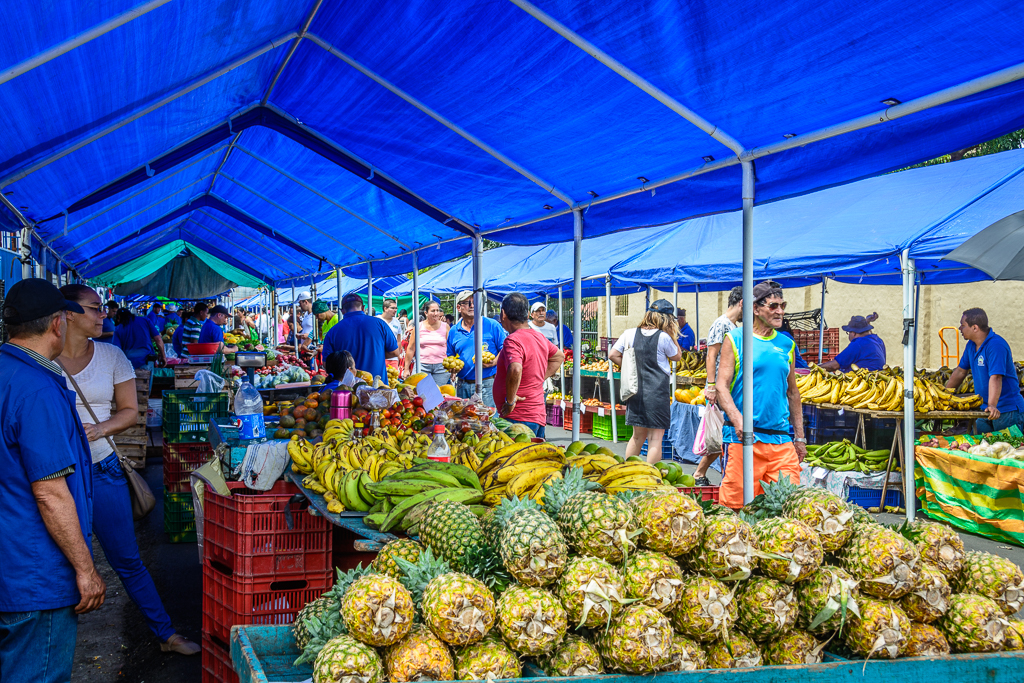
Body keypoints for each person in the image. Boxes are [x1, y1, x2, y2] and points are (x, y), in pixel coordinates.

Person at [58, 285, 200, 655]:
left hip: (103, 467)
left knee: (127, 558)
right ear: (68, 313)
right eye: (94, 308)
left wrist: (99, 429)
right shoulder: (42, 359)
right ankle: (56, 651)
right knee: (58, 565)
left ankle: (166, 634)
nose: (103, 314)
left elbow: (130, 412)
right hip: (56, 476)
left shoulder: (112, 355)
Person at [0, 279, 106, 682]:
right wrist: (85, 569)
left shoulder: (8, 371)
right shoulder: (37, 389)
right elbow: (49, 492)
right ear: (59, 325)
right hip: (34, 572)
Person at [715, 281, 806, 510]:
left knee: (787, 506)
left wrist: (800, 437)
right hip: (743, 440)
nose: (780, 312)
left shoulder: (786, 344)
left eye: (782, 305)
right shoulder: (735, 339)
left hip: (781, 440)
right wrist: (737, 419)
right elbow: (721, 387)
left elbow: (792, 392)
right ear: (755, 308)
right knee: (737, 508)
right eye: (773, 306)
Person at [609, 300, 682, 464]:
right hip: (656, 394)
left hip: (635, 392)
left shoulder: (629, 333)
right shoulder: (663, 337)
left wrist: (628, 368)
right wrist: (673, 335)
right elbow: (677, 356)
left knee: (636, 436)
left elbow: (612, 354)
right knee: (655, 437)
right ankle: (649, 477)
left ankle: (627, 471)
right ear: (667, 319)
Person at [494, 293, 564, 438]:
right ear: (527, 314)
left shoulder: (512, 340)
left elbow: (515, 368)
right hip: (536, 415)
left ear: (503, 314)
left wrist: (510, 400)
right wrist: (538, 378)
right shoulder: (538, 336)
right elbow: (559, 356)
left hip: (518, 418)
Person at [693, 285, 743, 486]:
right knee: (720, 434)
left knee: (724, 434)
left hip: (729, 387)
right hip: (720, 389)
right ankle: (699, 473)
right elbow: (711, 356)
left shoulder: (733, 327)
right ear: (741, 303)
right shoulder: (721, 324)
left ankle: (726, 476)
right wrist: (711, 386)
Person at [945, 308, 1024, 433]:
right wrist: (945, 394)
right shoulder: (971, 345)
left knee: (1008, 449)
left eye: (963, 325)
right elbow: (960, 371)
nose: (960, 328)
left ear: (975, 328)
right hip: (985, 409)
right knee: (979, 446)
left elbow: (996, 377)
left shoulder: (996, 345)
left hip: (1007, 411)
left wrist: (992, 405)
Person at [447, 290, 506, 407]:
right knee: (465, 422)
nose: (472, 305)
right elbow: (450, 355)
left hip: (487, 384)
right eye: (468, 303)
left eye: (475, 302)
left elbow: (505, 348)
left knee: (488, 420)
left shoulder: (492, 325)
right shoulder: (454, 330)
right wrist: (452, 368)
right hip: (462, 385)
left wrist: (494, 361)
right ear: (459, 307)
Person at [322, 293, 399, 381]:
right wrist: (375, 354)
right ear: (363, 307)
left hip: (349, 390)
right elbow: (395, 352)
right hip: (379, 389)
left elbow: (326, 364)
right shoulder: (380, 324)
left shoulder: (333, 332)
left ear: (342, 311)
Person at [405, 300, 451, 388]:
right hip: (422, 365)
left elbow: (449, 348)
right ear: (426, 313)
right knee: (420, 393)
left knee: (439, 394)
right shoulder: (418, 327)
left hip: (442, 367)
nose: (436, 313)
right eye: (433, 311)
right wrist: (406, 369)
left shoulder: (445, 326)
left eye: (437, 310)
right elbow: (410, 348)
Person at [820, 313, 886, 372]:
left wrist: (815, 368)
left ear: (853, 333)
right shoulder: (878, 340)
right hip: (877, 378)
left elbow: (833, 366)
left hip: (860, 381)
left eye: (848, 333)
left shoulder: (858, 344)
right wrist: (867, 322)